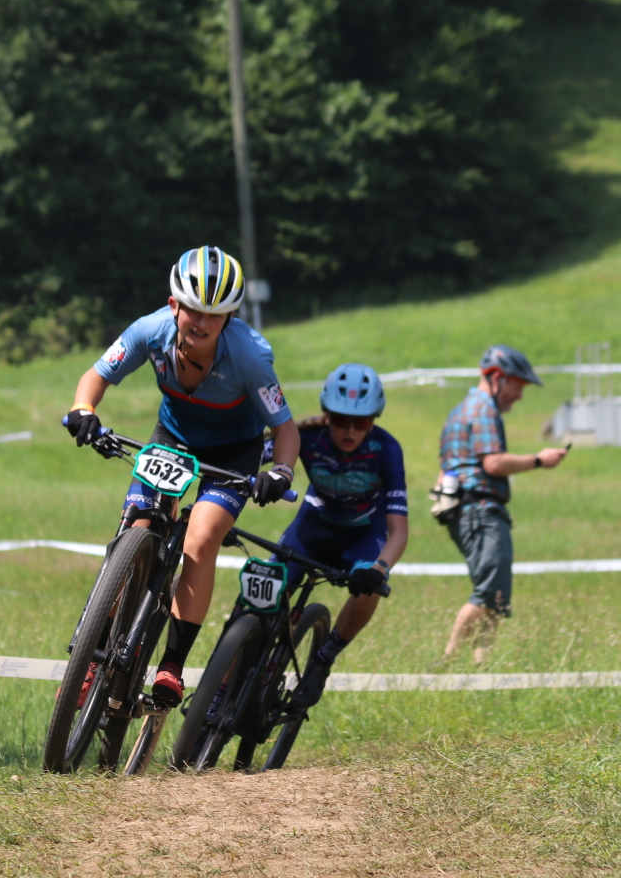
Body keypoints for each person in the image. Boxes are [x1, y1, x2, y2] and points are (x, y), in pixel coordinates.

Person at [64, 246, 300, 708]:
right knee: (137, 524)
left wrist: (281, 472)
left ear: (230, 317)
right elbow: (96, 376)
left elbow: (285, 429)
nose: (202, 322)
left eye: (215, 314)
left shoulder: (249, 357)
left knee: (201, 538)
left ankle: (172, 663)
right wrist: (83, 409)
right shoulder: (149, 330)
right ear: (174, 304)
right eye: (193, 309)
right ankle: (93, 656)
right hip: (172, 437)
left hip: (233, 451)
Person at [273, 363, 409, 709]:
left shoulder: (386, 449)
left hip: (362, 536)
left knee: (370, 588)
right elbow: (251, 458)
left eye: (361, 423)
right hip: (312, 528)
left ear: (373, 421)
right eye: (339, 420)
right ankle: (220, 693)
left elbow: (398, 530)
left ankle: (324, 658)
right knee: (264, 593)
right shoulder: (308, 437)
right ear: (326, 415)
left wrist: (379, 568)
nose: (349, 430)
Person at [435, 343, 567, 663]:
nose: (520, 396)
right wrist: (539, 460)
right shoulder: (484, 410)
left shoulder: (460, 410)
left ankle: (482, 667)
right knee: (488, 592)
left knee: (493, 595)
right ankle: (445, 664)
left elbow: (446, 467)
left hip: (465, 511)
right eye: (518, 386)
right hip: (480, 511)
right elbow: (493, 464)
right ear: (497, 378)